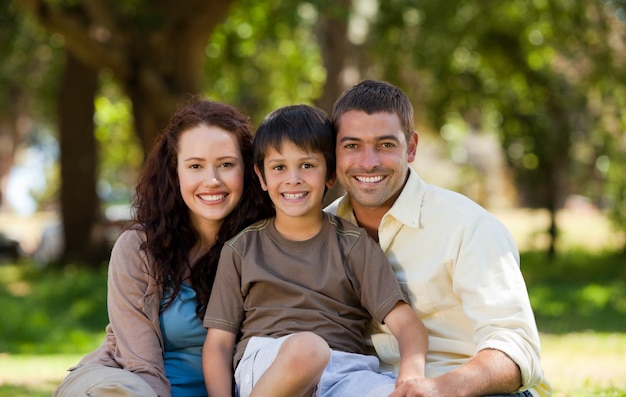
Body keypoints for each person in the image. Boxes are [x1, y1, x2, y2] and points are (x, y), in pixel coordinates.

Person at [325, 79, 552, 397]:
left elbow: (516, 350)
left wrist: (439, 389)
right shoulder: (323, 229)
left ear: (412, 147)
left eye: (386, 145)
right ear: (333, 152)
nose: (368, 161)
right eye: (352, 146)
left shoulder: (468, 227)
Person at [202, 104, 428, 397]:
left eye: (307, 166)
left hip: (344, 370)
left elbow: (408, 325)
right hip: (269, 369)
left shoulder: (354, 245)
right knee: (308, 349)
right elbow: (218, 344)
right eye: (279, 167)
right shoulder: (242, 248)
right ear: (261, 177)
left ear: (330, 175)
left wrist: (410, 376)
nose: (293, 179)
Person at [53, 99, 273, 397]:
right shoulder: (138, 248)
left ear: (248, 170)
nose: (212, 180)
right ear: (175, 171)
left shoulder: (266, 244)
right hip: (133, 383)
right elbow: (142, 367)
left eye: (226, 164)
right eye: (195, 166)